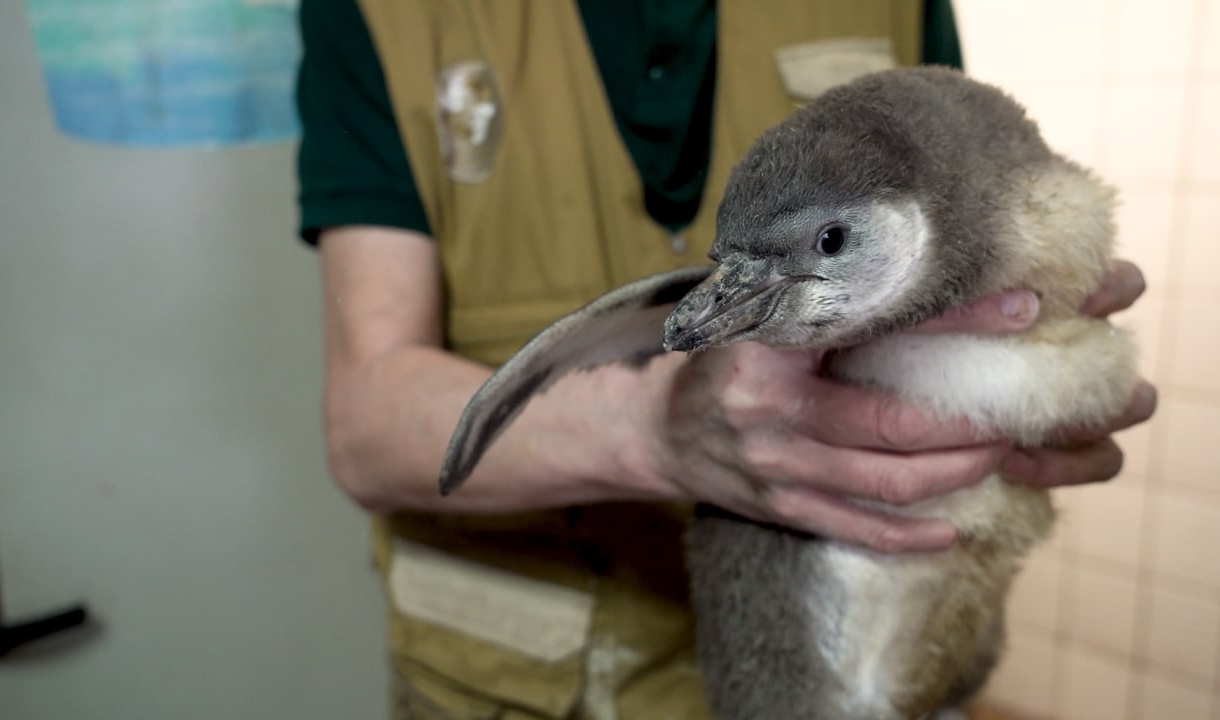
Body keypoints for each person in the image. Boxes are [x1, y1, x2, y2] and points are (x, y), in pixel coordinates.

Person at [295, 1, 1157, 717]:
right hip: (500, 689)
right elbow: (363, 428)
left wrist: (1040, 375)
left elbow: (960, 193)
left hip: (897, 667)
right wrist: (653, 427)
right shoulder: (381, 13)